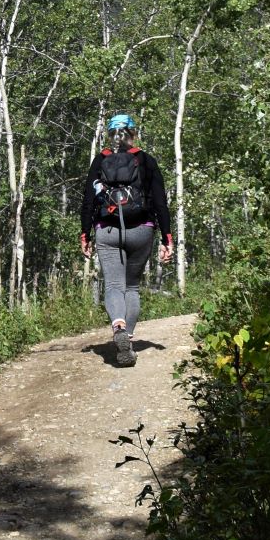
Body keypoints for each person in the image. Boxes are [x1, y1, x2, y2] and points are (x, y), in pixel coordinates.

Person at [81, 111, 173, 367]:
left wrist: (85, 233)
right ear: (134, 133)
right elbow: (160, 202)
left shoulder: (101, 160)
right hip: (142, 229)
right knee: (131, 286)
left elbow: (88, 200)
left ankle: (118, 325)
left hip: (107, 230)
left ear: (110, 135)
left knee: (113, 285)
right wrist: (167, 238)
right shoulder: (146, 160)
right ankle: (128, 340)